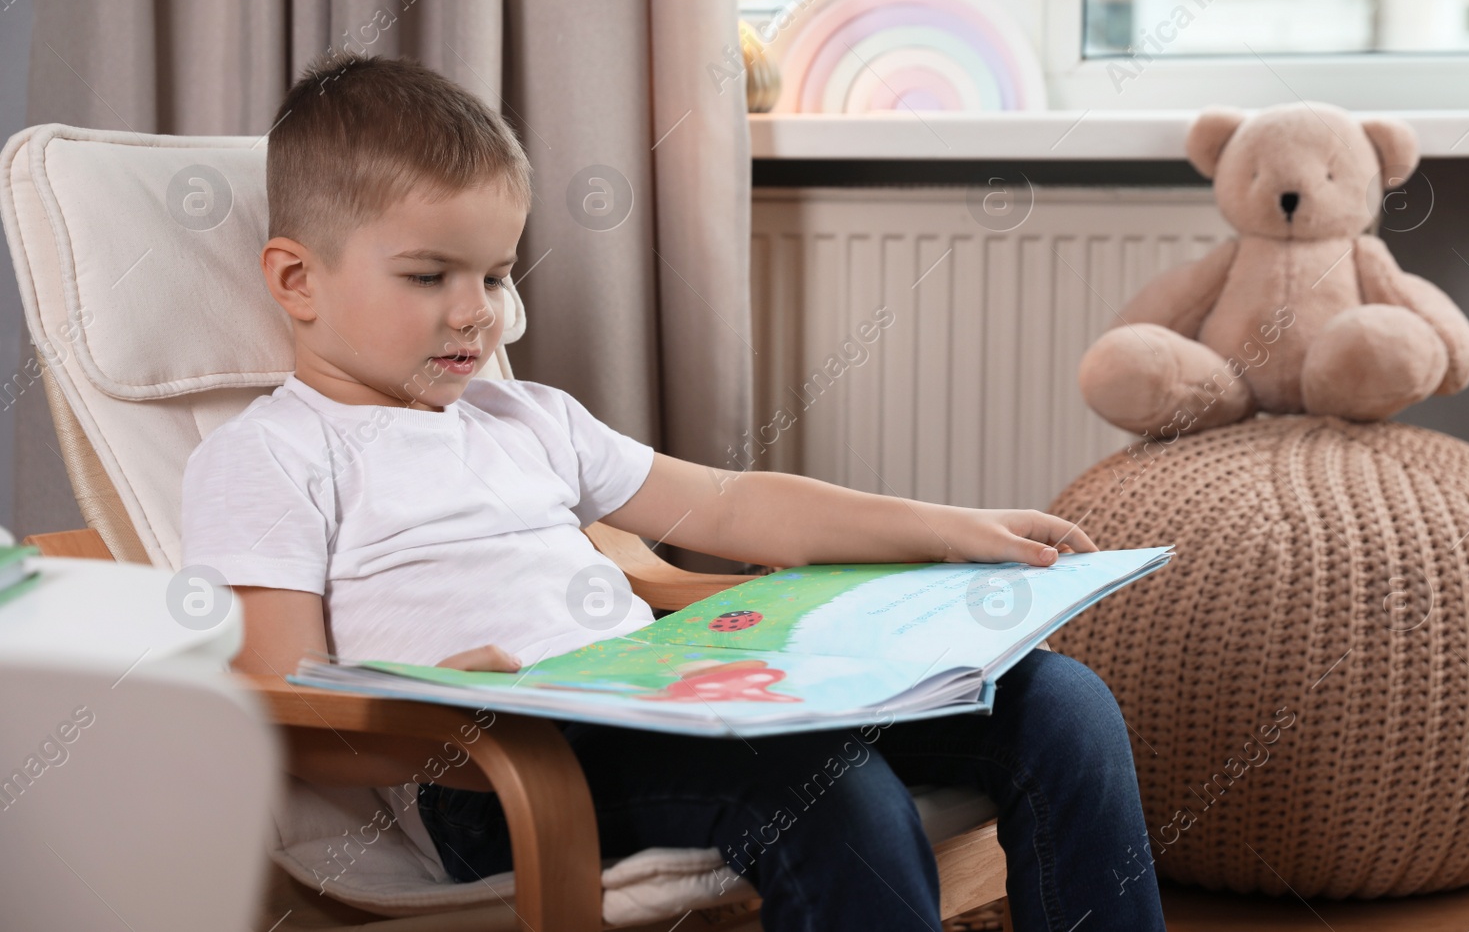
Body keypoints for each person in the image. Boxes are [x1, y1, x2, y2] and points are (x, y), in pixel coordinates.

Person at [181, 53, 1165, 932]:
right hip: (512, 771)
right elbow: (283, 707)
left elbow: (731, 504)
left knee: (1055, 702)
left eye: (494, 272)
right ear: (296, 279)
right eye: (429, 274)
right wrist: (443, 710)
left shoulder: (527, 418)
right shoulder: (267, 456)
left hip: (678, 703)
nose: (475, 312)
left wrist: (947, 528)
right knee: (828, 788)